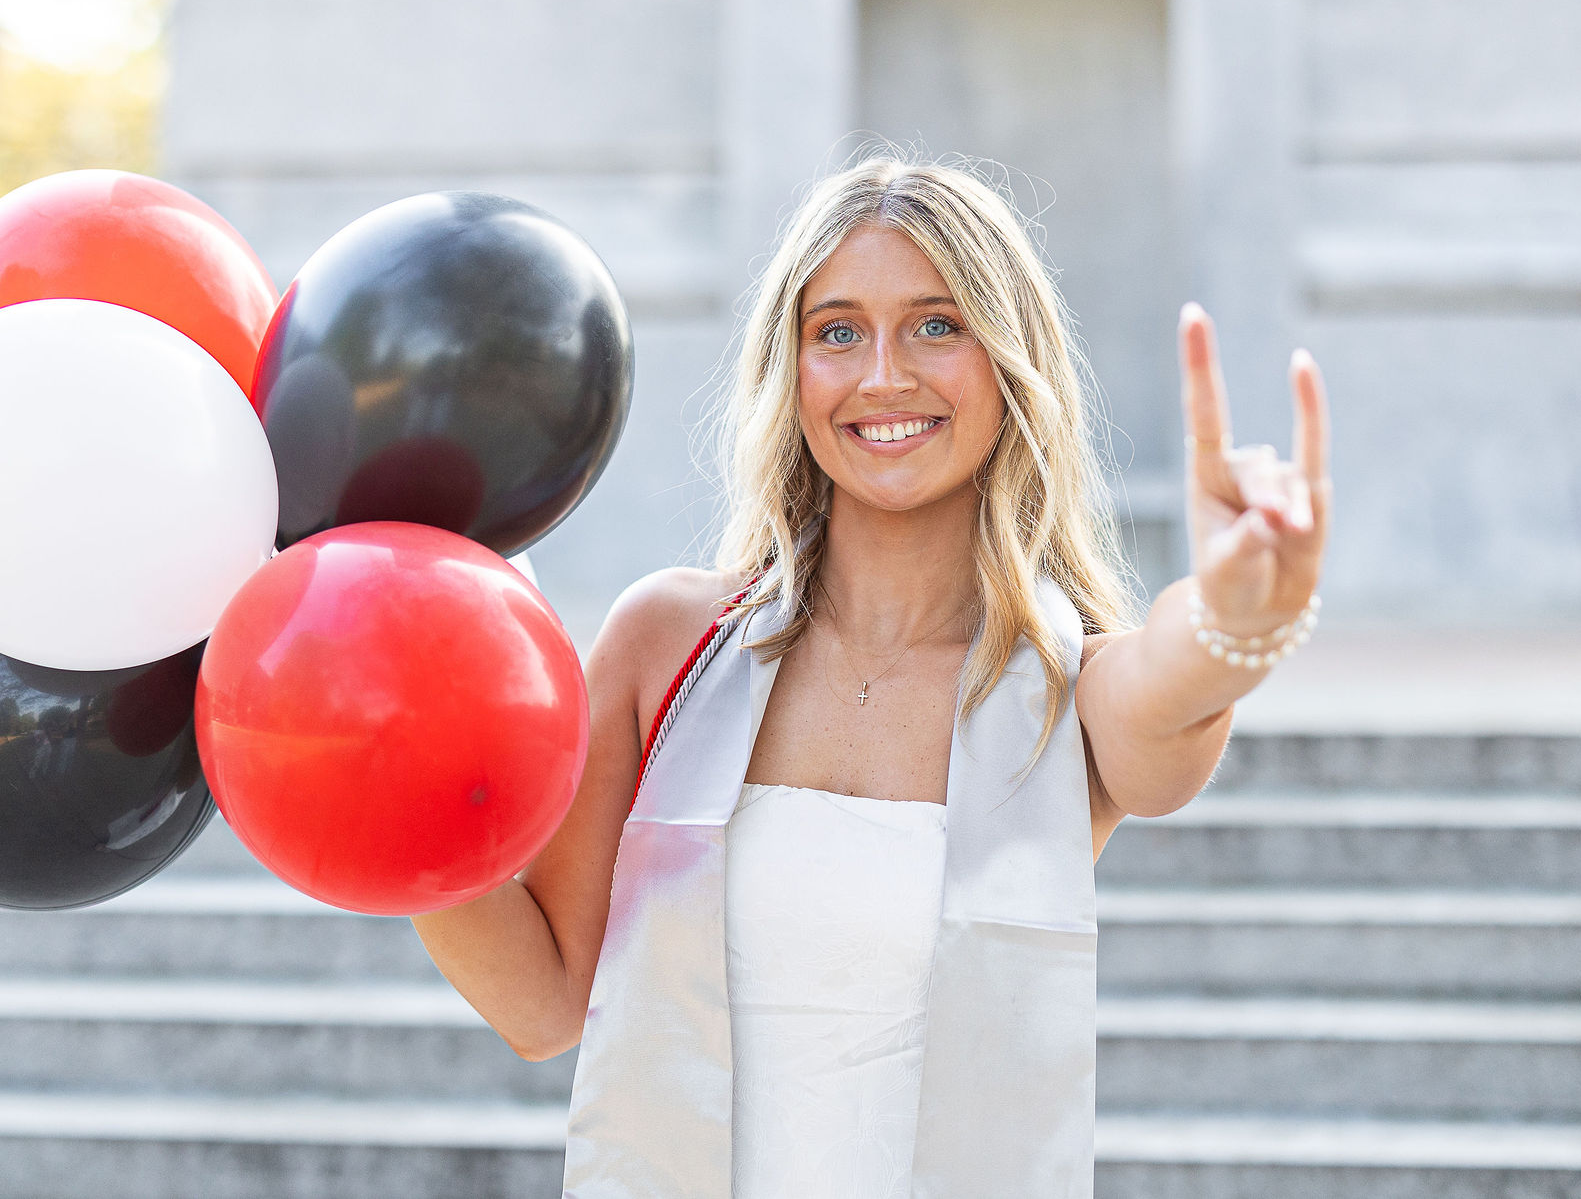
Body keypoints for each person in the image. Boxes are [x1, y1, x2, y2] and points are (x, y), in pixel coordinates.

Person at [411, 155, 1331, 1197]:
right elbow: (543, 1005)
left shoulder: (1060, 694)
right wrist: (381, 804)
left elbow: (1171, 691)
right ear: (792, 370)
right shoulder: (666, 643)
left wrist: (1231, 620)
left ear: (1006, 360)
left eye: (937, 325)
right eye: (836, 331)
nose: (882, 373)